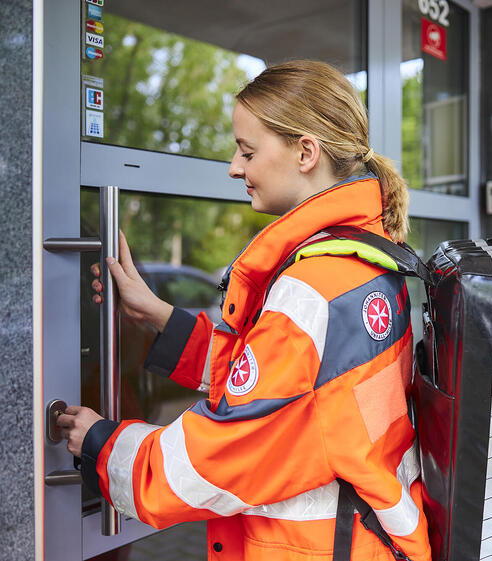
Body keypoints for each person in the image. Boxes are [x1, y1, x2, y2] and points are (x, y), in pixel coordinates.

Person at [58, 60, 431, 561]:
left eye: (247, 151)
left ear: (305, 151)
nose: (235, 168)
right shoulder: (362, 264)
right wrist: (159, 318)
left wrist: (102, 443)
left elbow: (213, 459)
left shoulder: (312, 288)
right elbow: (297, 394)